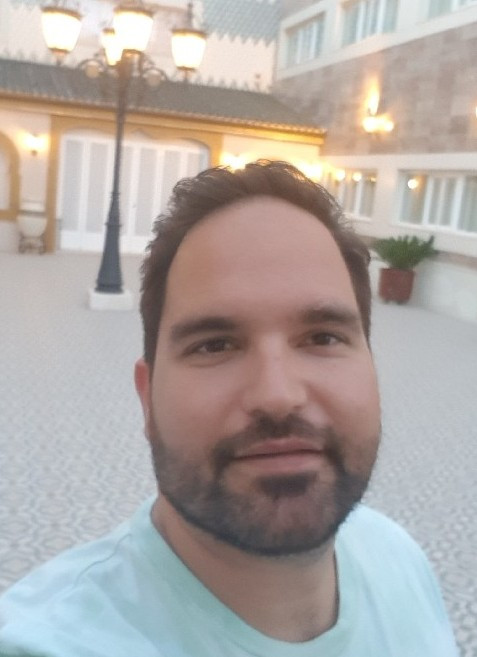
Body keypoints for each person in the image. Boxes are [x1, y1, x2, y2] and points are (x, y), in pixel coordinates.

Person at [0, 161, 458, 656]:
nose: (278, 395)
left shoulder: (399, 558)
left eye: (323, 338)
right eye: (215, 345)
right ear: (147, 399)